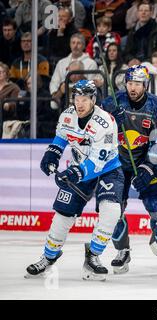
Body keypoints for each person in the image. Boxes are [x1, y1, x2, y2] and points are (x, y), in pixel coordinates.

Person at [25, 80, 124, 281]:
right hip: (80, 168)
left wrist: (72, 174)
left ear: (93, 100)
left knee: (112, 210)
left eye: (85, 99)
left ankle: (93, 256)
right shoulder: (67, 115)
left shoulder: (105, 122)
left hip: (108, 170)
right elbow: (61, 137)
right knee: (62, 214)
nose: (80, 103)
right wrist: (51, 154)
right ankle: (48, 256)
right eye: (77, 98)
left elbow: (97, 162)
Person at [101, 65, 157, 272]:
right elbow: (97, 134)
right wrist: (110, 121)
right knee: (113, 209)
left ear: (146, 85)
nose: (133, 88)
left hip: (145, 163)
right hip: (117, 164)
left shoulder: (155, 106)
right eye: (130, 83)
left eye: (138, 84)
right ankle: (122, 251)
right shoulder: (112, 103)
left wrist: (148, 168)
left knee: (156, 205)